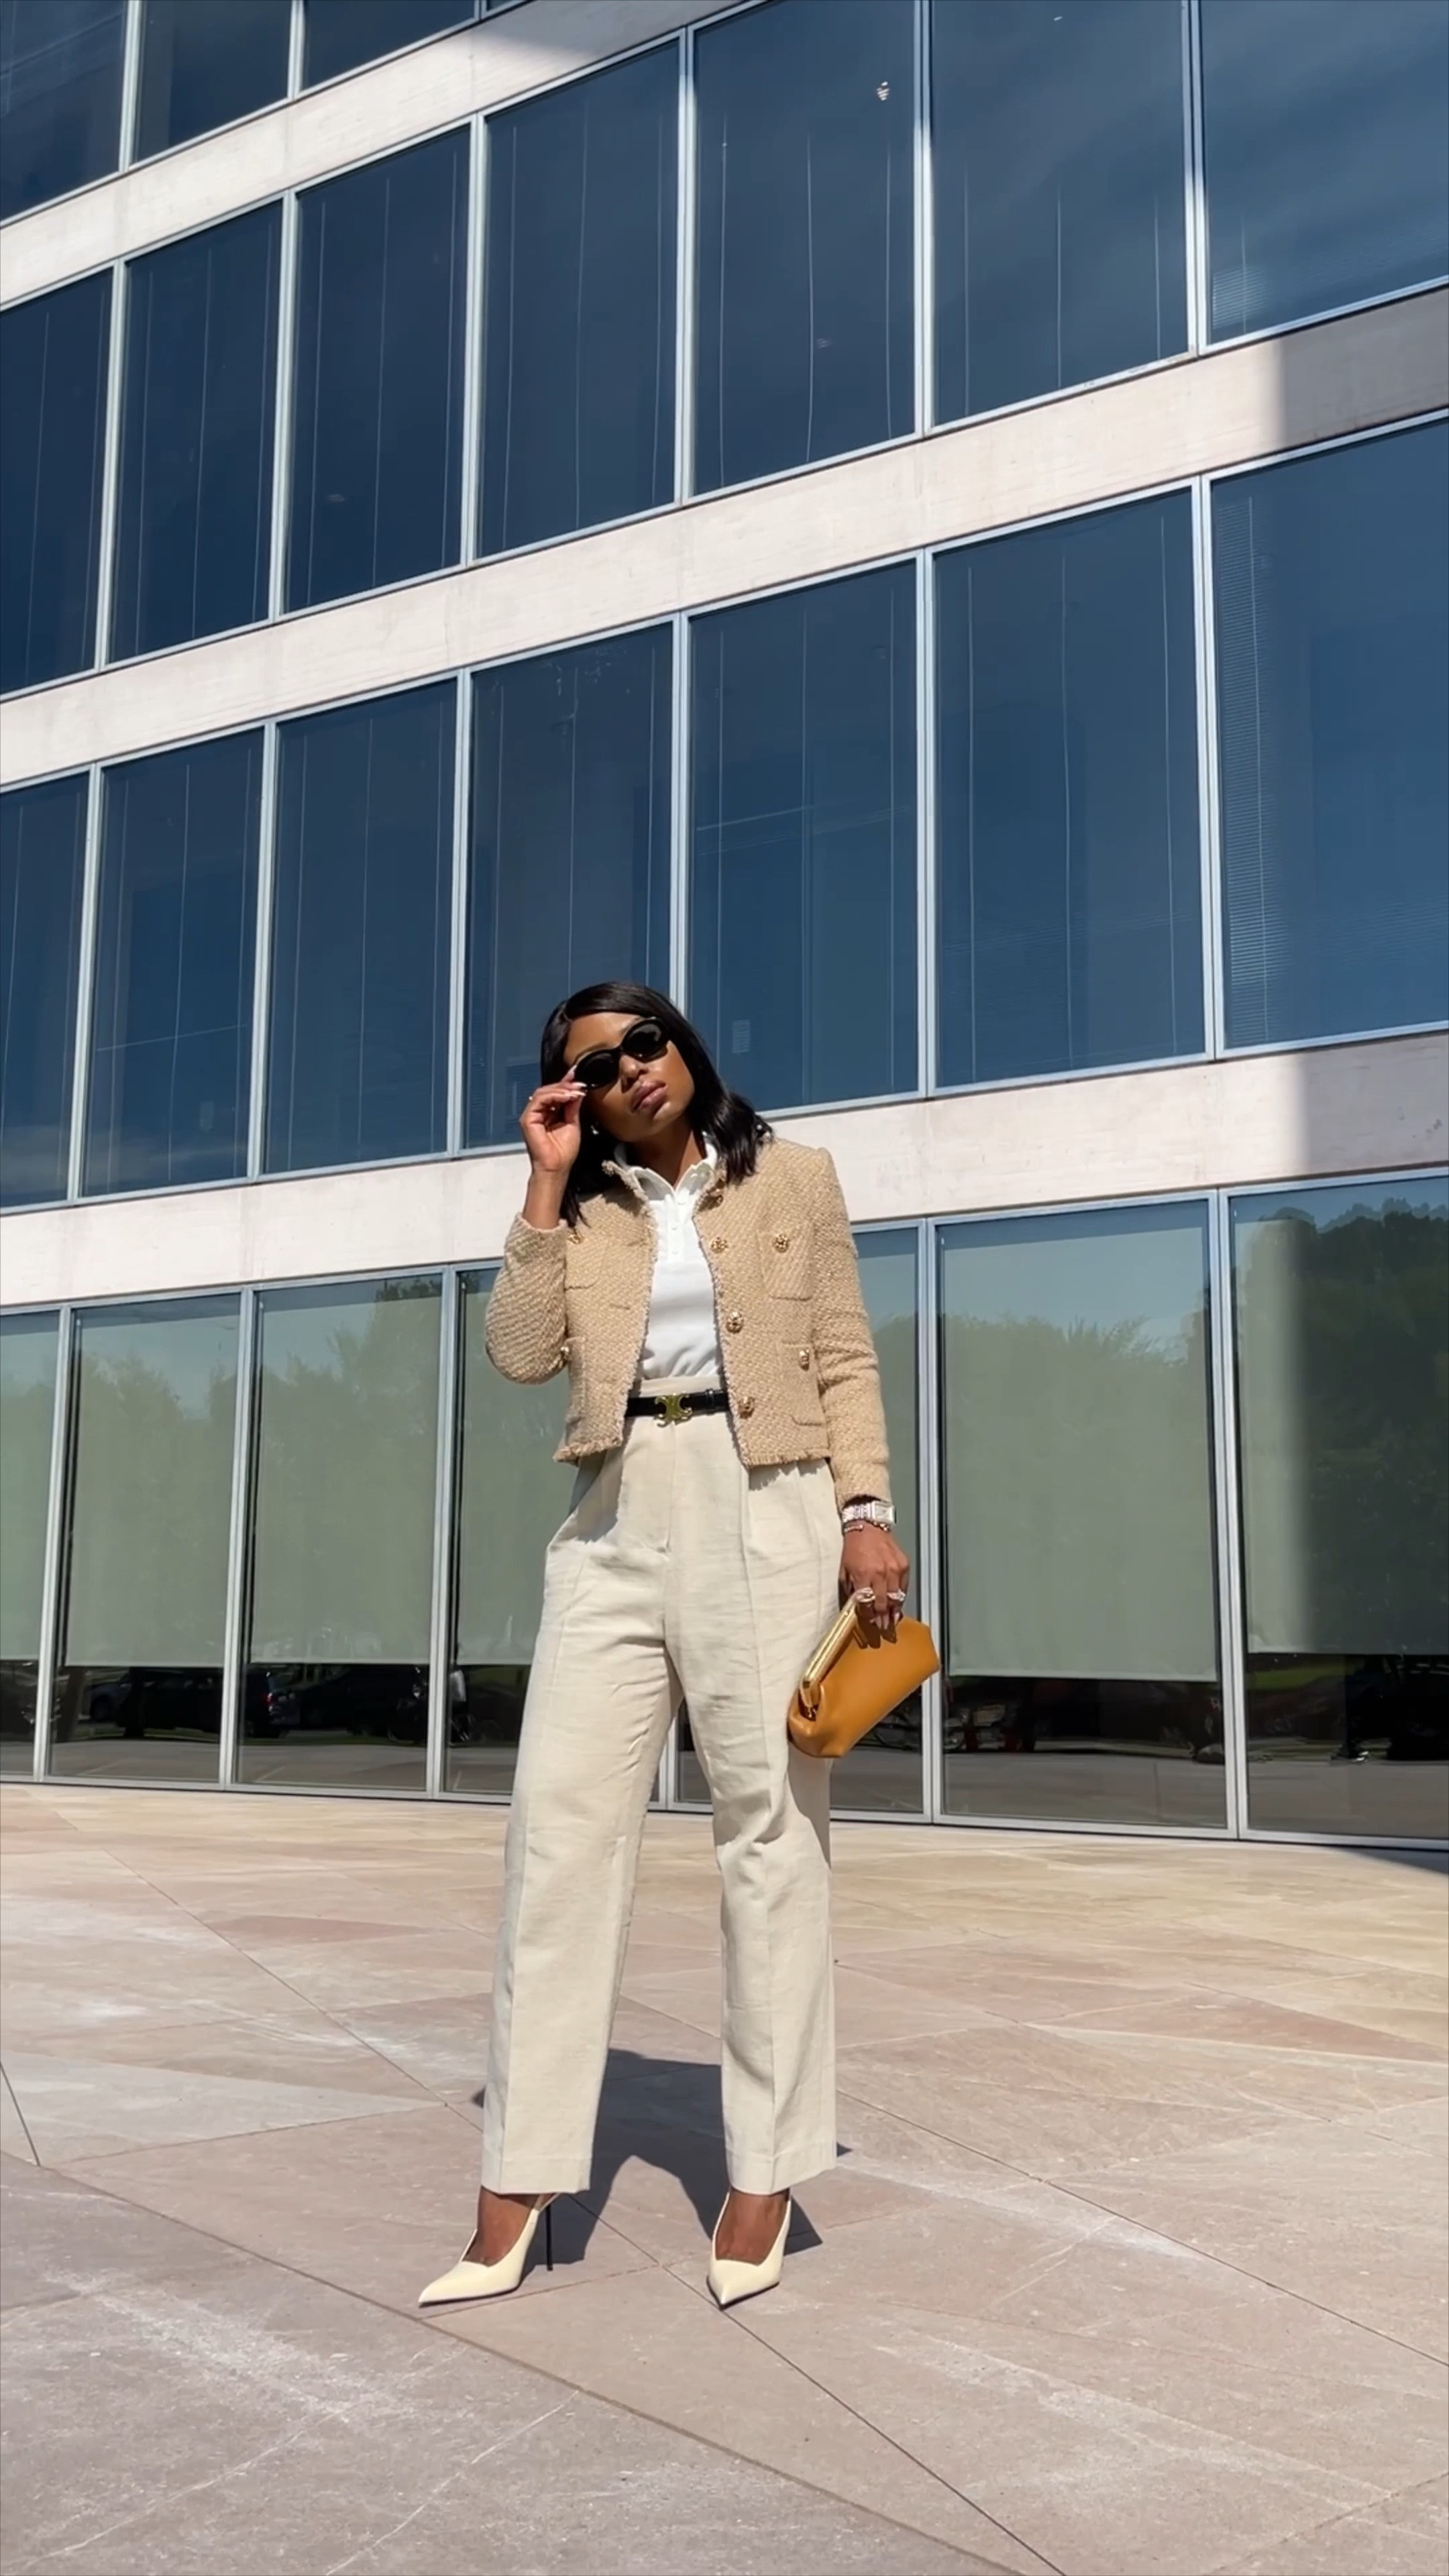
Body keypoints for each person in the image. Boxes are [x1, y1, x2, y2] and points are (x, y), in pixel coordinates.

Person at [419, 983, 907, 2313]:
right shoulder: (580, 1215)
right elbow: (521, 1356)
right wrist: (541, 1182)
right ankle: (519, 2182)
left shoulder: (794, 1177)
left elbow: (845, 1355)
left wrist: (866, 1516)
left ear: (685, 1046)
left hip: (773, 1509)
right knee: (557, 1842)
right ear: (572, 1093)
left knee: (770, 1835)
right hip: (618, 1516)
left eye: (644, 1041)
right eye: (592, 1064)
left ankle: (766, 2173)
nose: (630, 1068)